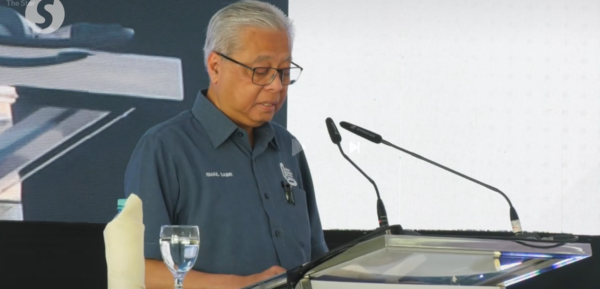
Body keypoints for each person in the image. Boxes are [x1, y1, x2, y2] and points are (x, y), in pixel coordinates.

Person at [124, 1, 328, 288]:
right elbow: (136, 270)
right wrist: (240, 285)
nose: (276, 86)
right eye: (261, 70)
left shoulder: (288, 146)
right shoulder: (164, 148)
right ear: (216, 66)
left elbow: (316, 256)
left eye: (284, 71)